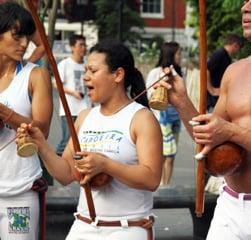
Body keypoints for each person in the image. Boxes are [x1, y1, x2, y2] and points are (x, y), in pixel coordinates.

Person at [17, 40, 163, 240]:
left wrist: (105, 165)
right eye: (85, 70)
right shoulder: (85, 117)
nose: (85, 77)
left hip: (127, 227)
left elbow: (152, 178)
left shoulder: (141, 118)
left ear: (118, 75)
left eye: (93, 71)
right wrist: (41, 144)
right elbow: (66, 174)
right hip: (84, 225)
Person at [155, 1, 251, 238]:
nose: (244, 8)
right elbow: (209, 138)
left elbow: (225, 132)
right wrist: (182, 103)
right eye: (244, 1)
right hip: (229, 206)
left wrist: (231, 132)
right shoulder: (234, 71)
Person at [0, 2, 53, 240]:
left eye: (26, 37)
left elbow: (43, 129)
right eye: (17, 36)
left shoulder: (35, 75)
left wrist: (5, 114)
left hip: (19, 192)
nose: (24, 44)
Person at [146, 41, 182, 185]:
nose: (181, 57)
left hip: (175, 119)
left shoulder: (179, 73)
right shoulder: (155, 73)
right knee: (165, 155)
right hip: (162, 119)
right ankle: (160, 185)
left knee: (171, 155)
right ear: (171, 55)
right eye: (179, 53)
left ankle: (166, 184)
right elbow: (149, 95)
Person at [55, 34, 91, 156]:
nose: (84, 48)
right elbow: (56, 84)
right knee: (67, 140)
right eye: (80, 45)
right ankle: (54, 166)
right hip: (69, 109)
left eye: (85, 45)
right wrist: (73, 93)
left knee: (83, 140)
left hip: (86, 109)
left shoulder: (87, 65)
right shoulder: (65, 64)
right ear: (72, 47)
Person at [207, 33, 244, 112]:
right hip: (213, 100)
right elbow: (206, 70)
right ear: (235, 45)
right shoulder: (219, 54)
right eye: (239, 48)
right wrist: (211, 90)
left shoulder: (227, 57)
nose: (238, 51)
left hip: (219, 97)